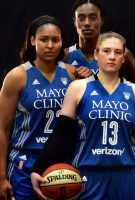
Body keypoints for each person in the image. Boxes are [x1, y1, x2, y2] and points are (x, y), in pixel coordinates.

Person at [31, 31, 135, 200]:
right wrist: (38, 168)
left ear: (123, 58)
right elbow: (61, 135)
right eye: (106, 51)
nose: (112, 57)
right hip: (87, 177)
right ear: (96, 54)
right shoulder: (78, 88)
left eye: (118, 52)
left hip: (126, 177)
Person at [0, 15, 90, 200]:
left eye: (55, 40)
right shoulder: (17, 76)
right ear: (33, 41)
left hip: (62, 161)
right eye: (43, 39)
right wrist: (1, 177)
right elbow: (2, 129)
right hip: (25, 161)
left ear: (62, 42)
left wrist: (90, 79)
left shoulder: (73, 74)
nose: (50, 45)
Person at [64, 0, 135, 85]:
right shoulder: (65, 56)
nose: (87, 23)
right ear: (75, 21)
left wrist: (95, 79)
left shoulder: (122, 54)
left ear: (102, 20)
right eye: (81, 18)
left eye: (93, 18)